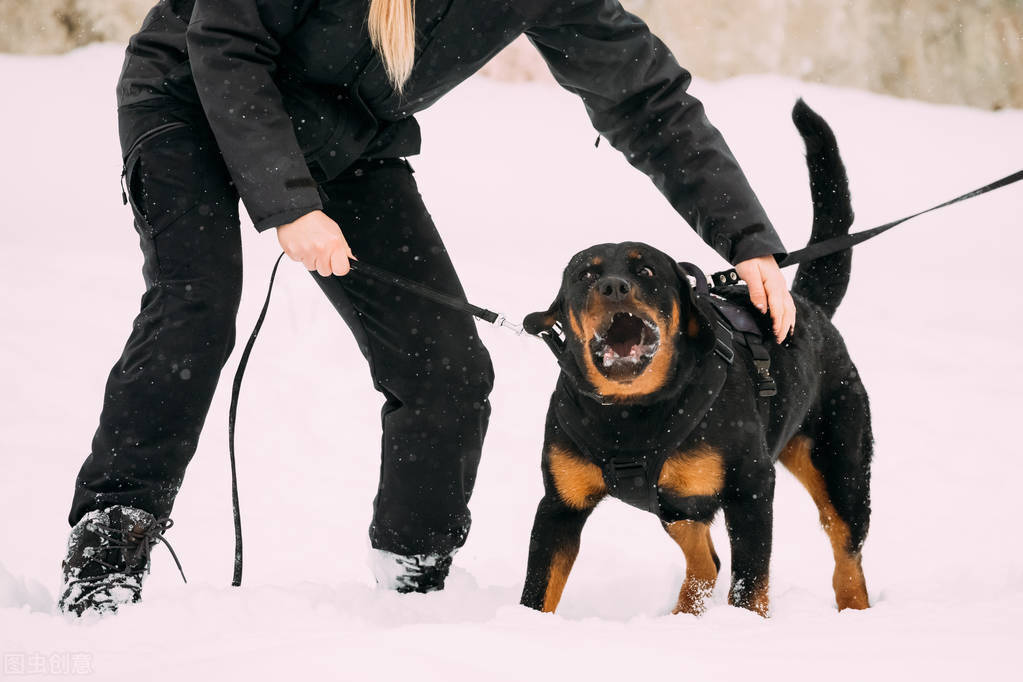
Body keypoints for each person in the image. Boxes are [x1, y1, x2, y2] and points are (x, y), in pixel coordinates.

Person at [58, 0, 797, 616]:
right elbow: (226, 38)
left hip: (345, 140)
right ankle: (110, 541)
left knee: (446, 369)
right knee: (198, 303)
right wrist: (286, 199)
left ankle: (412, 583)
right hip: (188, 95)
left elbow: (644, 97)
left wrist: (746, 239)